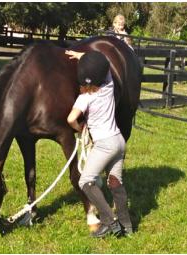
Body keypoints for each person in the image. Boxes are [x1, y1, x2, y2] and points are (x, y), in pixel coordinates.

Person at [65, 49, 133, 238]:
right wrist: (84, 56)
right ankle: (126, 226)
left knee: (85, 182)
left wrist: (80, 129)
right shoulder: (109, 86)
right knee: (115, 182)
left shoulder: (84, 98)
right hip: (119, 141)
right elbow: (105, 65)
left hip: (104, 144)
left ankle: (109, 221)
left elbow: (71, 119)